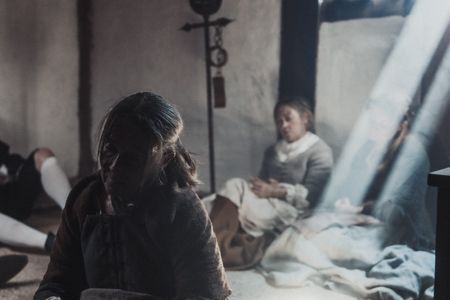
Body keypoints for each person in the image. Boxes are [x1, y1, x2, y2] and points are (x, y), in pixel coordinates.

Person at [34, 92, 231, 300]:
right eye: (110, 149)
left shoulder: (182, 208)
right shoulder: (84, 199)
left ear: (164, 158)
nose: (114, 167)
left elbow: (204, 294)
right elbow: (55, 283)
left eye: (132, 159)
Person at [209, 97, 333, 269]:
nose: (283, 125)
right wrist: (262, 186)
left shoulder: (320, 151)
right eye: (279, 121)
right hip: (268, 201)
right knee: (227, 191)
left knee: (233, 188)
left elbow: (314, 195)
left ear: (305, 118)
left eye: (289, 119)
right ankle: (216, 245)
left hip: (294, 211)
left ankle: (213, 248)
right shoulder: (273, 151)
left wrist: (275, 191)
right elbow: (264, 181)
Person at [0, 140, 71, 252]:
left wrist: (8, 171)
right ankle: (53, 243)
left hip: (13, 196)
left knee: (43, 154)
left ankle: (74, 214)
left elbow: (11, 162)